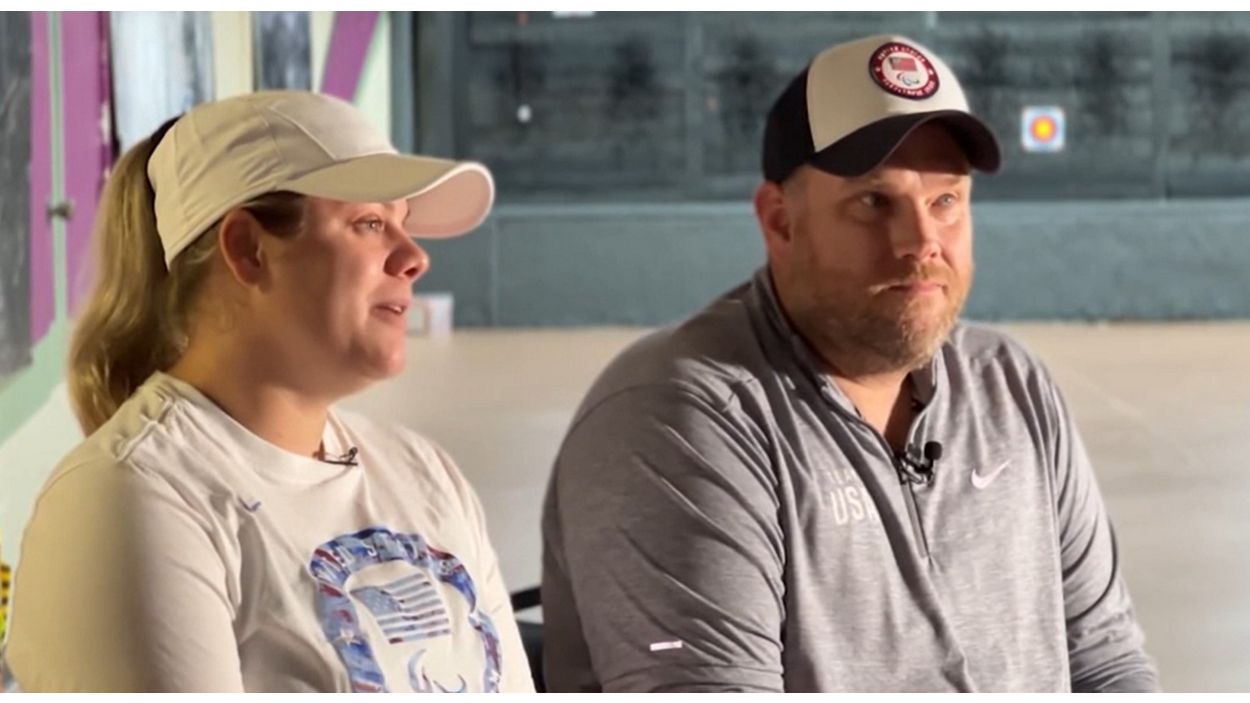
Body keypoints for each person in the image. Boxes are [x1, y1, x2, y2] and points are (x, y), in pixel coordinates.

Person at [541, 34, 1159, 692]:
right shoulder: (679, 421)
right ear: (780, 222)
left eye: (945, 200)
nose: (922, 242)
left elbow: (1106, 661)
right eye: (873, 202)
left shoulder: (1011, 386)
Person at [4, 91, 534, 693]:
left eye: (402, 223)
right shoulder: (131, 502)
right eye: (369, 223)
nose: (414, 258)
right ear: (248, 249)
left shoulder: (422, 472)